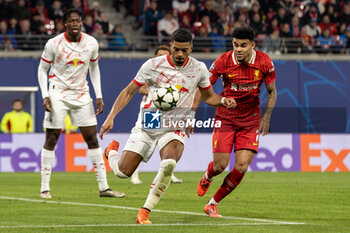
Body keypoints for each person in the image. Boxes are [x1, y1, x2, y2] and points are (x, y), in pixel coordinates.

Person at [99, 28, 236, 224]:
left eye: (185, 50)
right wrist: (111, 116)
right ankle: (111, 153)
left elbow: (209, 96)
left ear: (191, 48)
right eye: (177, 49)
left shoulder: (199, 69)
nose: (180, 54)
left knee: (169, 163)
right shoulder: (153, 65)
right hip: (150, 120)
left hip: (175, 124)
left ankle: (145, 211)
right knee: (123, 172)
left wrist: (223, 101)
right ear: (171, 45)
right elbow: (129, 91)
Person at [37, 9, 125, 199]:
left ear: (82, 22)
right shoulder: (54, 44)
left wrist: (99, 95)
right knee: (52, 138)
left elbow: (94, 68)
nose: (75, 24)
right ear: (65, 23)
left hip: (82, 94)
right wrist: (46, 95)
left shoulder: (91, 43)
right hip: (58, 93)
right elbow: (42, 69)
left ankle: (104, 188)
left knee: (92, 138)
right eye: (71, 21)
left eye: (78, 21)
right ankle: (45, 188)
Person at [196, 26, 277, 217]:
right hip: (226, 117)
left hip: (250, 120)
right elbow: (204, 87)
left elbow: (273, 92)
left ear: (252, 46)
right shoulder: (223, 61)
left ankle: (212, 204)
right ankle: (207, 176)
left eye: (243, 45)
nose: (238, 49)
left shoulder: (265, 62)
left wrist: (267, 117)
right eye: (235, 45)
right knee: (219, 166)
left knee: (241, 167)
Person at [131, 45, 183, 185]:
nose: (162, 58)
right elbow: (141, 89)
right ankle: (134, 175)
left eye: (164, 55)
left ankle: (169, 175)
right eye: (159, 55)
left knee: (167, 142)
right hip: (151, 112)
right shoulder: (151, 71)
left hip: (168, 112)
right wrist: (160, 95)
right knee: (145, 145)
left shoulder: (174, 73)